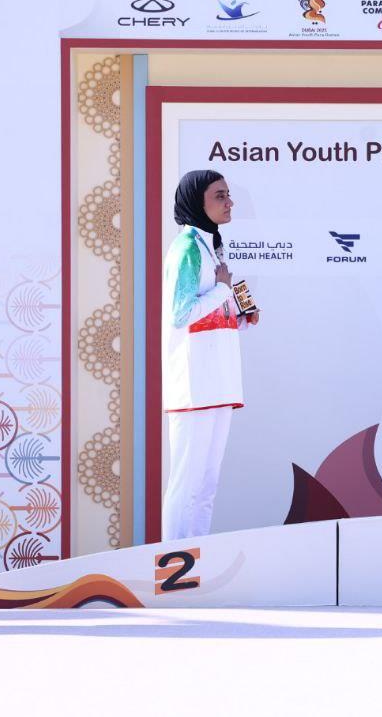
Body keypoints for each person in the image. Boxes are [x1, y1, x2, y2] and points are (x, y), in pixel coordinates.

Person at [161, 170, 258, 541]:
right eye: (220, 195)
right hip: (195, 384)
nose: (230, 202)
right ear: (196, 202)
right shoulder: (186, 247)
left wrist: (241, 314)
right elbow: (180, 314)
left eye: (228, 194)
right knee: (186, 484)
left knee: (206, 484)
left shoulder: (212, 245)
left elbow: (214, 309)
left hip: (219, 380)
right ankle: (172, 562)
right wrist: (222, 290)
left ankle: (197, 561)